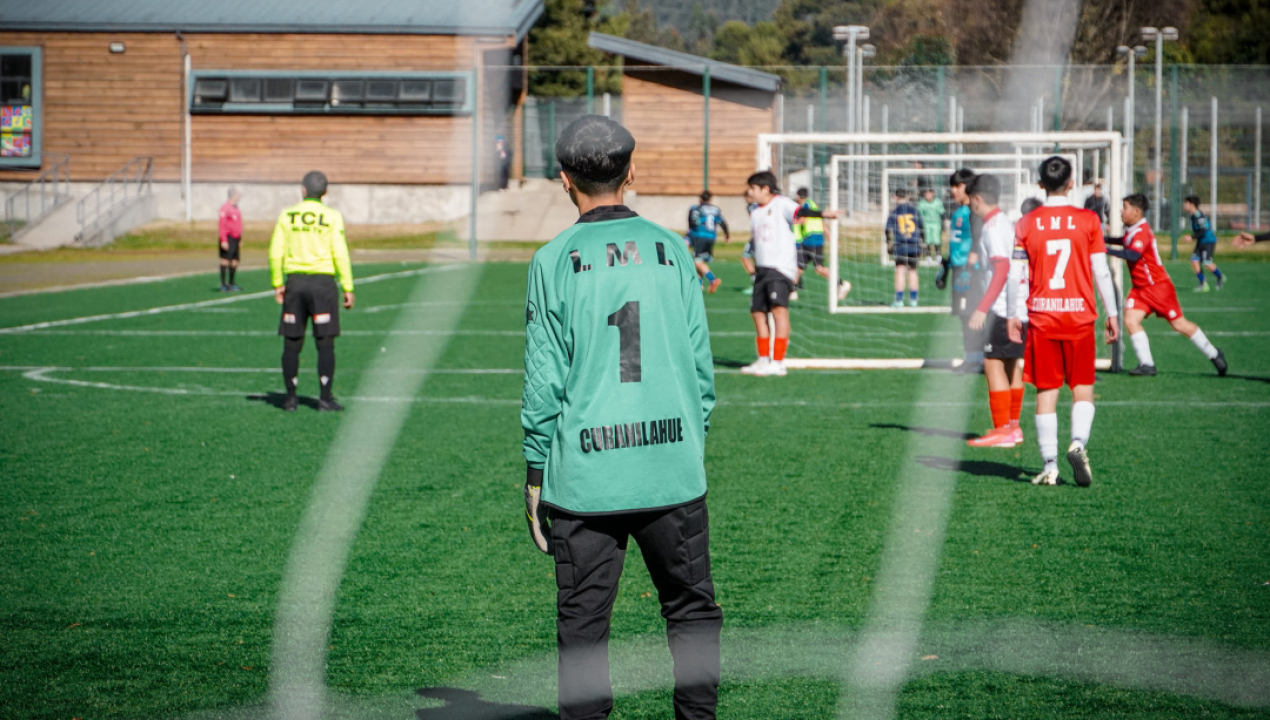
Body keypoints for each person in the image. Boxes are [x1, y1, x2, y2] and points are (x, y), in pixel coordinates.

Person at [519, 115, 721, 720]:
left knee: (583, 624)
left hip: (585, 476)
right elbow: (702, 372)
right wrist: (689, 439)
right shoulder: (673, 251)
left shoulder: (552, 259)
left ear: (563, 180)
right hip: (670, 468)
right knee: (691, 611)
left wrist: (535, 474)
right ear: (631, 172)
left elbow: (543, 381)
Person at [1007, 156, 1120, 487]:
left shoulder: (1026, 223)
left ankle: (1050, 464)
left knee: (1046, 391)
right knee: (1082, 388)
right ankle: (1078, 443)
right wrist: (1112, 314)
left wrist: (1015, 313)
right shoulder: (1088, 220)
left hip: (1042, 317)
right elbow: (1100, 270)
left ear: (1040, 185)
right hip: (1080, 317)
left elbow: (1016, 273)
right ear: (1072, 183)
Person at [1105, 193, 1227, 377]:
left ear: (1136, 212)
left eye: (1125, 207)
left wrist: (1103, 249)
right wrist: (1102, 240)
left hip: (1157, 288)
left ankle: (1214, 354)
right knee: (1131, 320)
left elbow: (1132, 255)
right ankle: (1147, 364)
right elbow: (1125, 242)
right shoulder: (1132, 229)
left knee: (1179, 324)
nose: (1122, 210)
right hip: (1140, 289)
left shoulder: (1142, 231)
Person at [269, 171, 354, 413]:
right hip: (323, 285)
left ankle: (290, 398)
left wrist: (278, 283)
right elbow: (340, 253)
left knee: (292, 342)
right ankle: (325, 398)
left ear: (303, 190)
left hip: (295, 284)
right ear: (325, 192)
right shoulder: (332, 217)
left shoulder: (287, 215)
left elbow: (276, 251)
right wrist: (347, 286)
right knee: (325, 342)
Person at [742, 172, 839, 376]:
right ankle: (762, 359)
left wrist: (822, 214)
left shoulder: (782, 204)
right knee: (758, 313)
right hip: (762, 269)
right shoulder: (756, 212)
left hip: (780, 269)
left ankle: (777, 362)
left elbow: (800, 211)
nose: (750, 192)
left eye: (753, 188)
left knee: (778, 311)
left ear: (764, 189)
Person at [966, 174, 1027, 448]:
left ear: (977, 199)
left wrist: (982, 308)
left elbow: (1002, 268)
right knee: (1012, 364)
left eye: (970, 201)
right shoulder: (1006, 223)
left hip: (1002, 307)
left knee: (992, 364)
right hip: (1017, 306)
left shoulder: (992, 228)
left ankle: (1002, 429)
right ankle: (1012, 427)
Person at [948, 169, 984, 372]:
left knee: (972, 313)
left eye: (957, 186)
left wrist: (968, 270)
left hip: (970, 271)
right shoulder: (959, 211)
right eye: (952, 186)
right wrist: (946, 267)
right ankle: (971, 358)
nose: (953, 190)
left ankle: (976, 359)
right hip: (958, 269)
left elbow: (977, 241)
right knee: (963, 314)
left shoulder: (973, 211)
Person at [793, 187, 851, 301]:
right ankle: (791, 291)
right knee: (798, 267)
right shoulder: (813, 204)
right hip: (811, 239)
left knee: (819, 268)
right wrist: (830, 237)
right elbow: (821, 222)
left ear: (798, 196)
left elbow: (803, 220)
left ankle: (841, 284)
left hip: (812, 239)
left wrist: (791, 222)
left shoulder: (805, 206)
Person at [885, 189, 924, 308]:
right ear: (908, 198)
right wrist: (923, 242)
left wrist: (888, 243)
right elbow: (922, 227)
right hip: (914, 245)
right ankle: (913, 300)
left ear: (895, 198)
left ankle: (899, 300)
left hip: (901, 245)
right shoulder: (915, 211)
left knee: (900, 271)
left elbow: (887, 230)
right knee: (912, 271)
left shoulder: (894, 212)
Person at [686, 189, 729, 294]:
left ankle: (712, 279)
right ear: (710, 199)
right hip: (711, 237)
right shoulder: (716, 209)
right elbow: (723, 222)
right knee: (699, 260)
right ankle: (699, 285)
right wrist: (727, 234)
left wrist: (691, 231)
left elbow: (692, 221)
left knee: (697, 261)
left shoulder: (696, 208)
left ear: (700, 199)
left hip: (699, 236)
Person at [1181, 195, 1226, 292]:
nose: (1184, 205)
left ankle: (1220, 277)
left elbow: (1204, 230)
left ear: (1191, 205)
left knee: (1206, 263)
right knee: (1194, 260)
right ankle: (1203, 285)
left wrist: (1191, 237)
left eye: (1185, 203)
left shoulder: (1199, 216)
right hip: (1201, 241)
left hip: (1208, 241)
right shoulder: (1192, 216)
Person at [218, 187, 243, 292]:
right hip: (228, 237)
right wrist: (223, 239)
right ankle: (223, 284)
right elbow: (222, 225)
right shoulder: (225, 208)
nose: (239, 197)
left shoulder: (236, 208)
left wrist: (240, 238)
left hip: (236, 238)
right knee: (225, 260)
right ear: (233, 196)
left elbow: (238, 224)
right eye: (238, 195)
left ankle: (231, 283)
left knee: (235, 260)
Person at [917, 186, 945, 264]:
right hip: (926, 224)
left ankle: (938, 256)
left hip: (936, 224)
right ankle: (928, 257)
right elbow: (919, 214)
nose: (928, 195)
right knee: (927, 241)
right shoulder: (922, 203)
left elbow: (942, 213)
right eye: (926, 193)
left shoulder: (937, 202)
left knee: (937, 240)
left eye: (930, 193)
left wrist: (944, 225)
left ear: (933, 194)